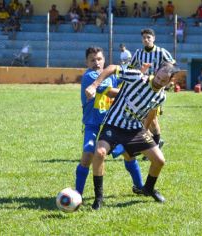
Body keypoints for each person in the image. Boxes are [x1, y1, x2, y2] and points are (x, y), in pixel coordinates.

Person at [85, 62, 180, 210]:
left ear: (169, 82)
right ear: (156, 72)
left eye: (163, 81)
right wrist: (94, 85)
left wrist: (145, 131)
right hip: (114, 125)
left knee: (160, 160)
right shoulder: (137, 77)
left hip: (135, 130)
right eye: (158, 77)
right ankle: (99, 197)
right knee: (99, 153)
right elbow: (111, 68)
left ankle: (148, 188)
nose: (158, 81)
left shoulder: (161, 96)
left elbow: (151, 114)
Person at [76, 46, 144, 197]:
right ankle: (77, 194)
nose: (96, 62)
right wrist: (136, 93)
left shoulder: (111, 75)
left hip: (111, 125)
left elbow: (126, 77)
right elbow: (112, 93)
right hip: (92, 125)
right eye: (92, 60)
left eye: (99, 59)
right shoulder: (90, 76)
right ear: (86, 62)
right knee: (87, 155)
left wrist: (141, 76)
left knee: (128, 154)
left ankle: (140, 187)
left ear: (104, 60)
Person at [130, 28, 175, 159]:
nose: (146, 39)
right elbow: (131, 68)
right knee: (142, 118)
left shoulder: (161, 52)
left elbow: (172, 65)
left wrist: (168, 80)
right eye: (144, 37)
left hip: (156, 89)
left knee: (152, 119)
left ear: (154, 38)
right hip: (142, 89)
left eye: (149, 37)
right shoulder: (138, 53)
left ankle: (154, 146)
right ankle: (155, 143)